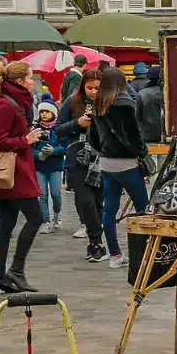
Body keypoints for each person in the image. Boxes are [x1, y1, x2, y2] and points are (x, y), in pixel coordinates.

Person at [0, 58, 46, 293]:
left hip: (11, 172)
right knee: (35, 218)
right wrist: (25, 140)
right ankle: (15, 271)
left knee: (6, 223)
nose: (32, 82)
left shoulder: (12, 102)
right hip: (13, 172)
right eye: (30, 78)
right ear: (20, 81)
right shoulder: (6, 104)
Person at [86, 64, 151, 269]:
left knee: (110, 209)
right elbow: (134, 136)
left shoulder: (97, 104)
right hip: (127, 163)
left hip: (107, 163)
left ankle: (115, 255)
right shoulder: (124, 104)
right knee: (143, 207)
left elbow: (93, 139)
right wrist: (142, 152)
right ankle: (142, 254)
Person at [55, 67, 106, 260]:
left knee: (98, 201)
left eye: (97, 88)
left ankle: (96, 241)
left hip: (101, 157)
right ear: (83, 86)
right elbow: (58, 129)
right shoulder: (72, 101)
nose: (93, 92)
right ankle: (96, 241)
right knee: (85, 200)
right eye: (90, 88)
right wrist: (78, 124)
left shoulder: (109, 102)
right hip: (77, 156)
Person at [33, 101, 67, 229]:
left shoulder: (58, 129)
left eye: (47, 111)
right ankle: (45, 221)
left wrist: (54, 150)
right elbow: (28, 148)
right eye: (42, 111)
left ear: (53, 113)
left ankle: (57, 213)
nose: (44, 114)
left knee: (55, 193)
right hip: (39, 167)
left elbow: (65, 147)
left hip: (55, 167)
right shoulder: (35, 129)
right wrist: (38, 154)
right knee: (42, 194)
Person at [134, 63, 164, 145]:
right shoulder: (167, 94)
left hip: (147, 135)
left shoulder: (142, 94)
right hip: (165, 135)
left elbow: (137, 117)